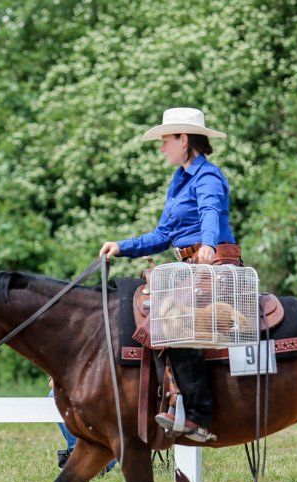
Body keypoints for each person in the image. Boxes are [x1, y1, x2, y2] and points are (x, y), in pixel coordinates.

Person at [99, 107, 239, 443]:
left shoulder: (207, 177)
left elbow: (210, 212)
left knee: (177, 322)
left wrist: (208, 244)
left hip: (214, 266)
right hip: (190, 268)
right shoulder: (178, 181)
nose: (162, 147)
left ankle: (199, 416)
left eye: (166, 140)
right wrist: (122, 245)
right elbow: (163, 234)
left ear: (184, 139)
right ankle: (167, 398)